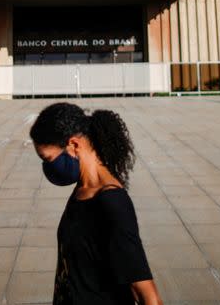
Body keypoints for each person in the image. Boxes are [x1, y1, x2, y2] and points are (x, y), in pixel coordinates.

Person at [30, 102, 163, 305]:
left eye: (48, 159)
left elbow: (148, 295)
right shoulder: (82, 190)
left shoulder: (112, 203)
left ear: (74, 145)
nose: (48, 168)